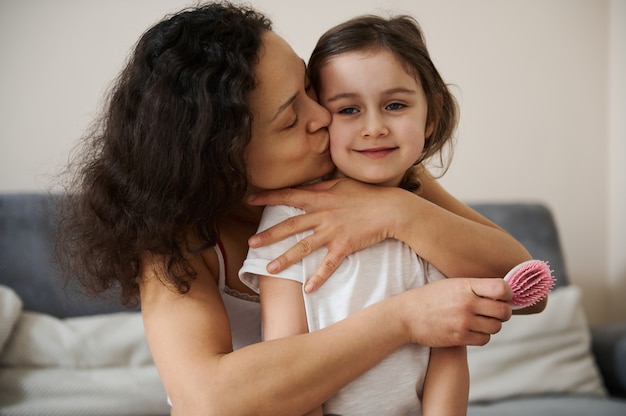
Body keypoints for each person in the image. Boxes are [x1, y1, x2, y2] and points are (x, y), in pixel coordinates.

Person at [56, 2, 539, 415]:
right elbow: (207, 399)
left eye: (310, 89)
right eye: (292, 119)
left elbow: (528, 288)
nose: (325, 116)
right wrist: (404, 319)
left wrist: (400, 211)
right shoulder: (174, 241)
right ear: (222, 157)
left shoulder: (377, 174)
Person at [239, 14, 468, 415]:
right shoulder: (292, 214)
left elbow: (449, 350)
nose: (374, 127)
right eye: (348, 110)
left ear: (430, 118)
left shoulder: (429, 217)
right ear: (322, 120)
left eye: (395, 105)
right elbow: (288, 361)